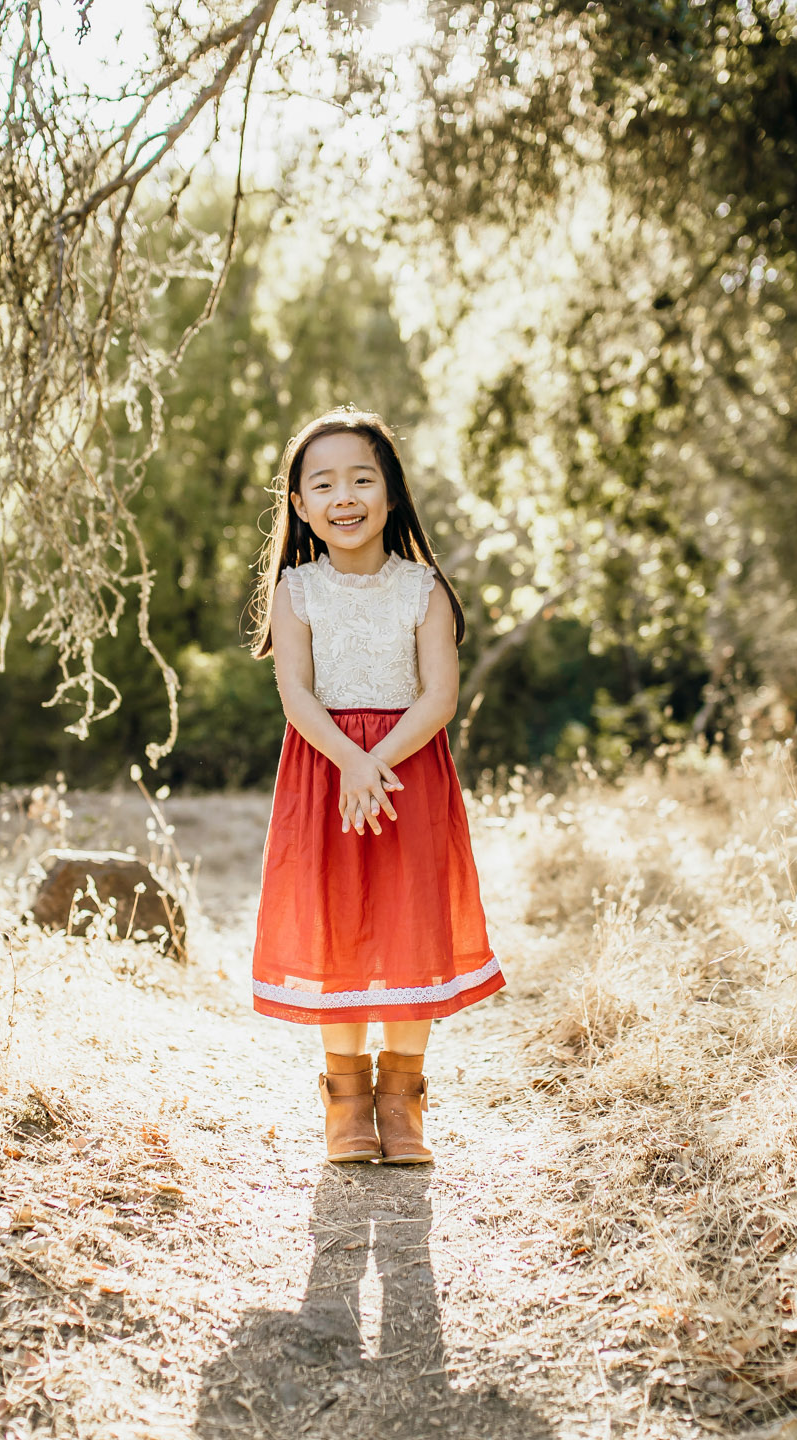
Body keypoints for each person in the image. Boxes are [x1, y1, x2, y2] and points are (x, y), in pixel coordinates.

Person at [247, 407, 504, 1164]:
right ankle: (347, 1104)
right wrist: (349, 763)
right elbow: (296, 694)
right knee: (338, 928)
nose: (343, 495)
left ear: (390, 492)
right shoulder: (297, 591)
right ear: (299, 505)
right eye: (321, 483)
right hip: (326, 772)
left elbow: (439, 698)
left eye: (362, 477)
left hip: (407, 772)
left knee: (408, 924)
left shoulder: (423, 590)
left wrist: (377, 761)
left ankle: (403, 1104)